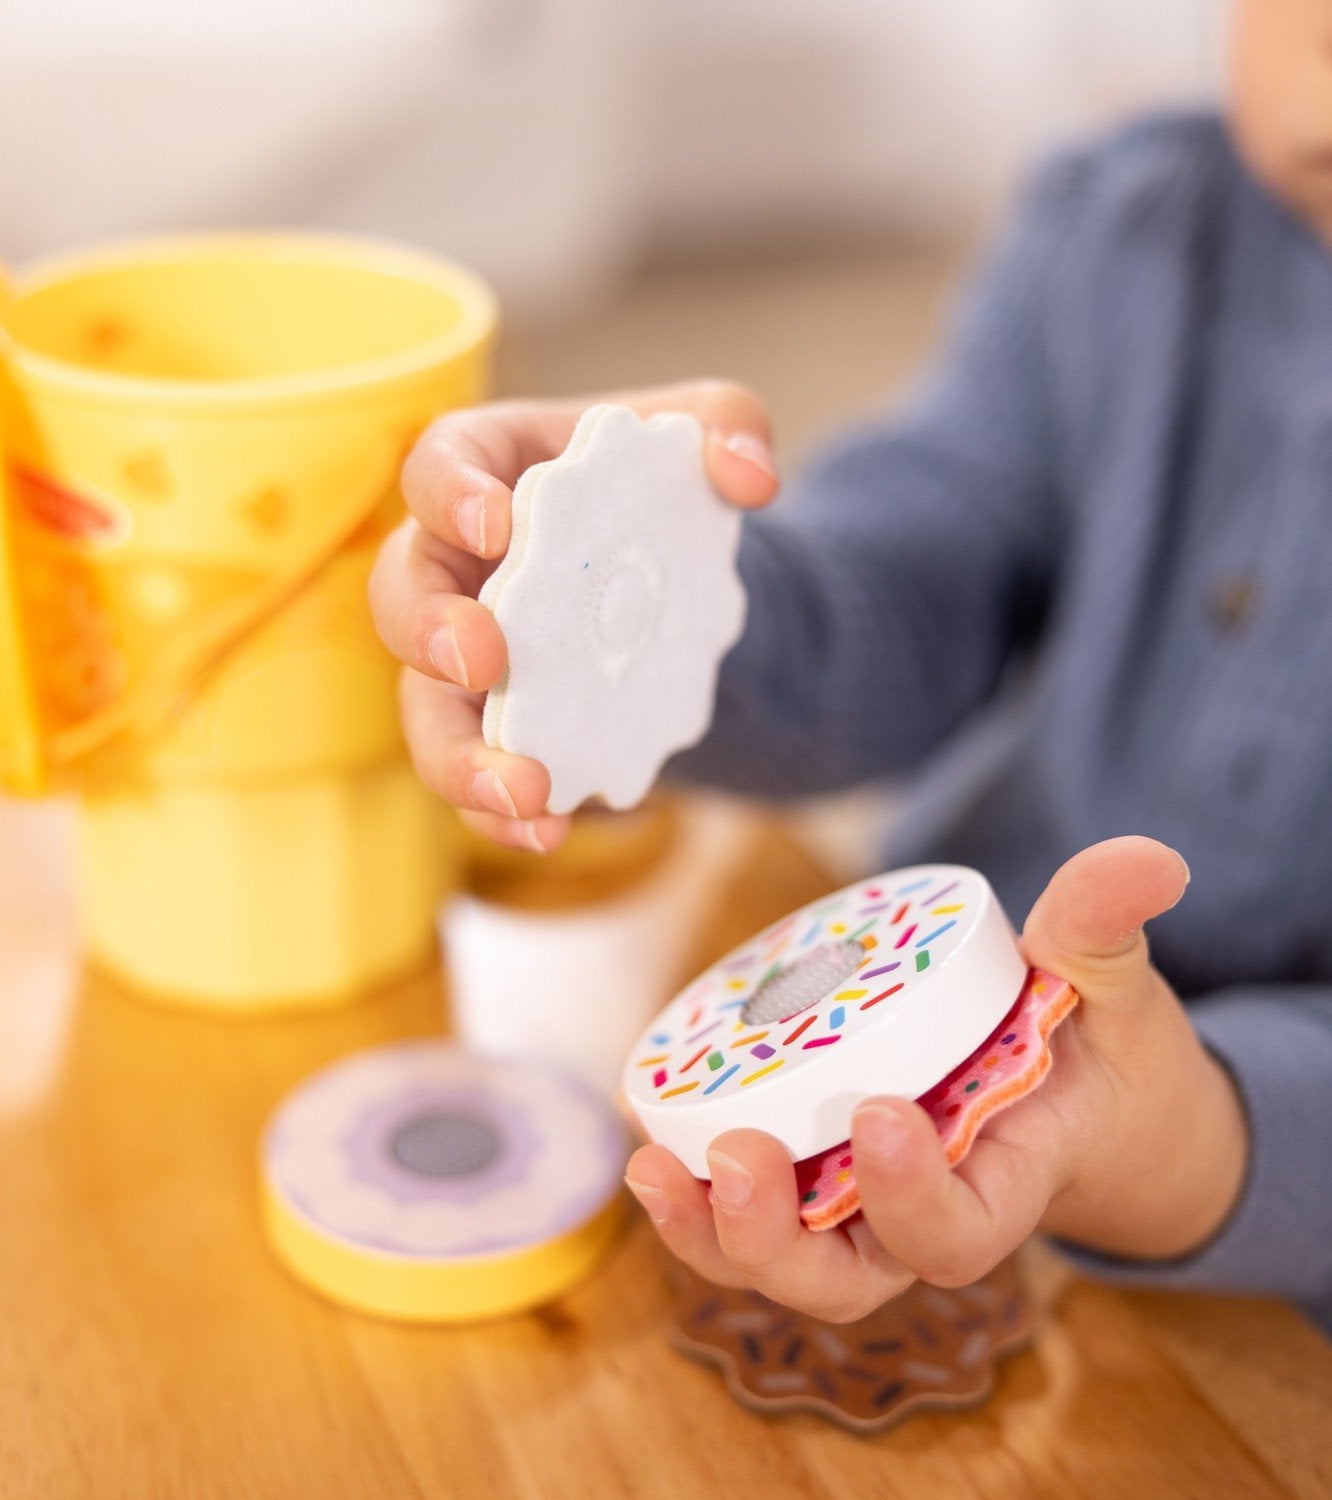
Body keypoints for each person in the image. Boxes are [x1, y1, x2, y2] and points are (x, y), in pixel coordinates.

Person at [367, 0, 1332, 1331]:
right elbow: (923, 572)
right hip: (925, 1097)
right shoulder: (1117, 222)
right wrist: (650, 608)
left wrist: (1194, 1147)